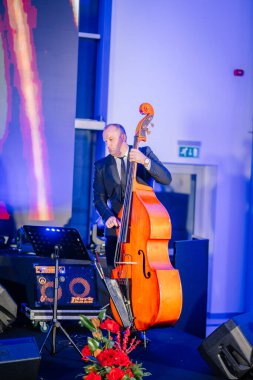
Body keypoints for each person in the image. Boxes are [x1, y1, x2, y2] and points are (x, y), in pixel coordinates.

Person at [93, 123, 172, 271]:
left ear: (123, 137)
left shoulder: (144, 152)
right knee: (115, 279)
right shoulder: (101, 166)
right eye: (105, 141)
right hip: (116, 233)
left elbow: (166, 178)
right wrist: (107, 216)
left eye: (111, 139)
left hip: (142, 230)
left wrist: (145, 161)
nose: (107, 145)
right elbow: (98, 198)